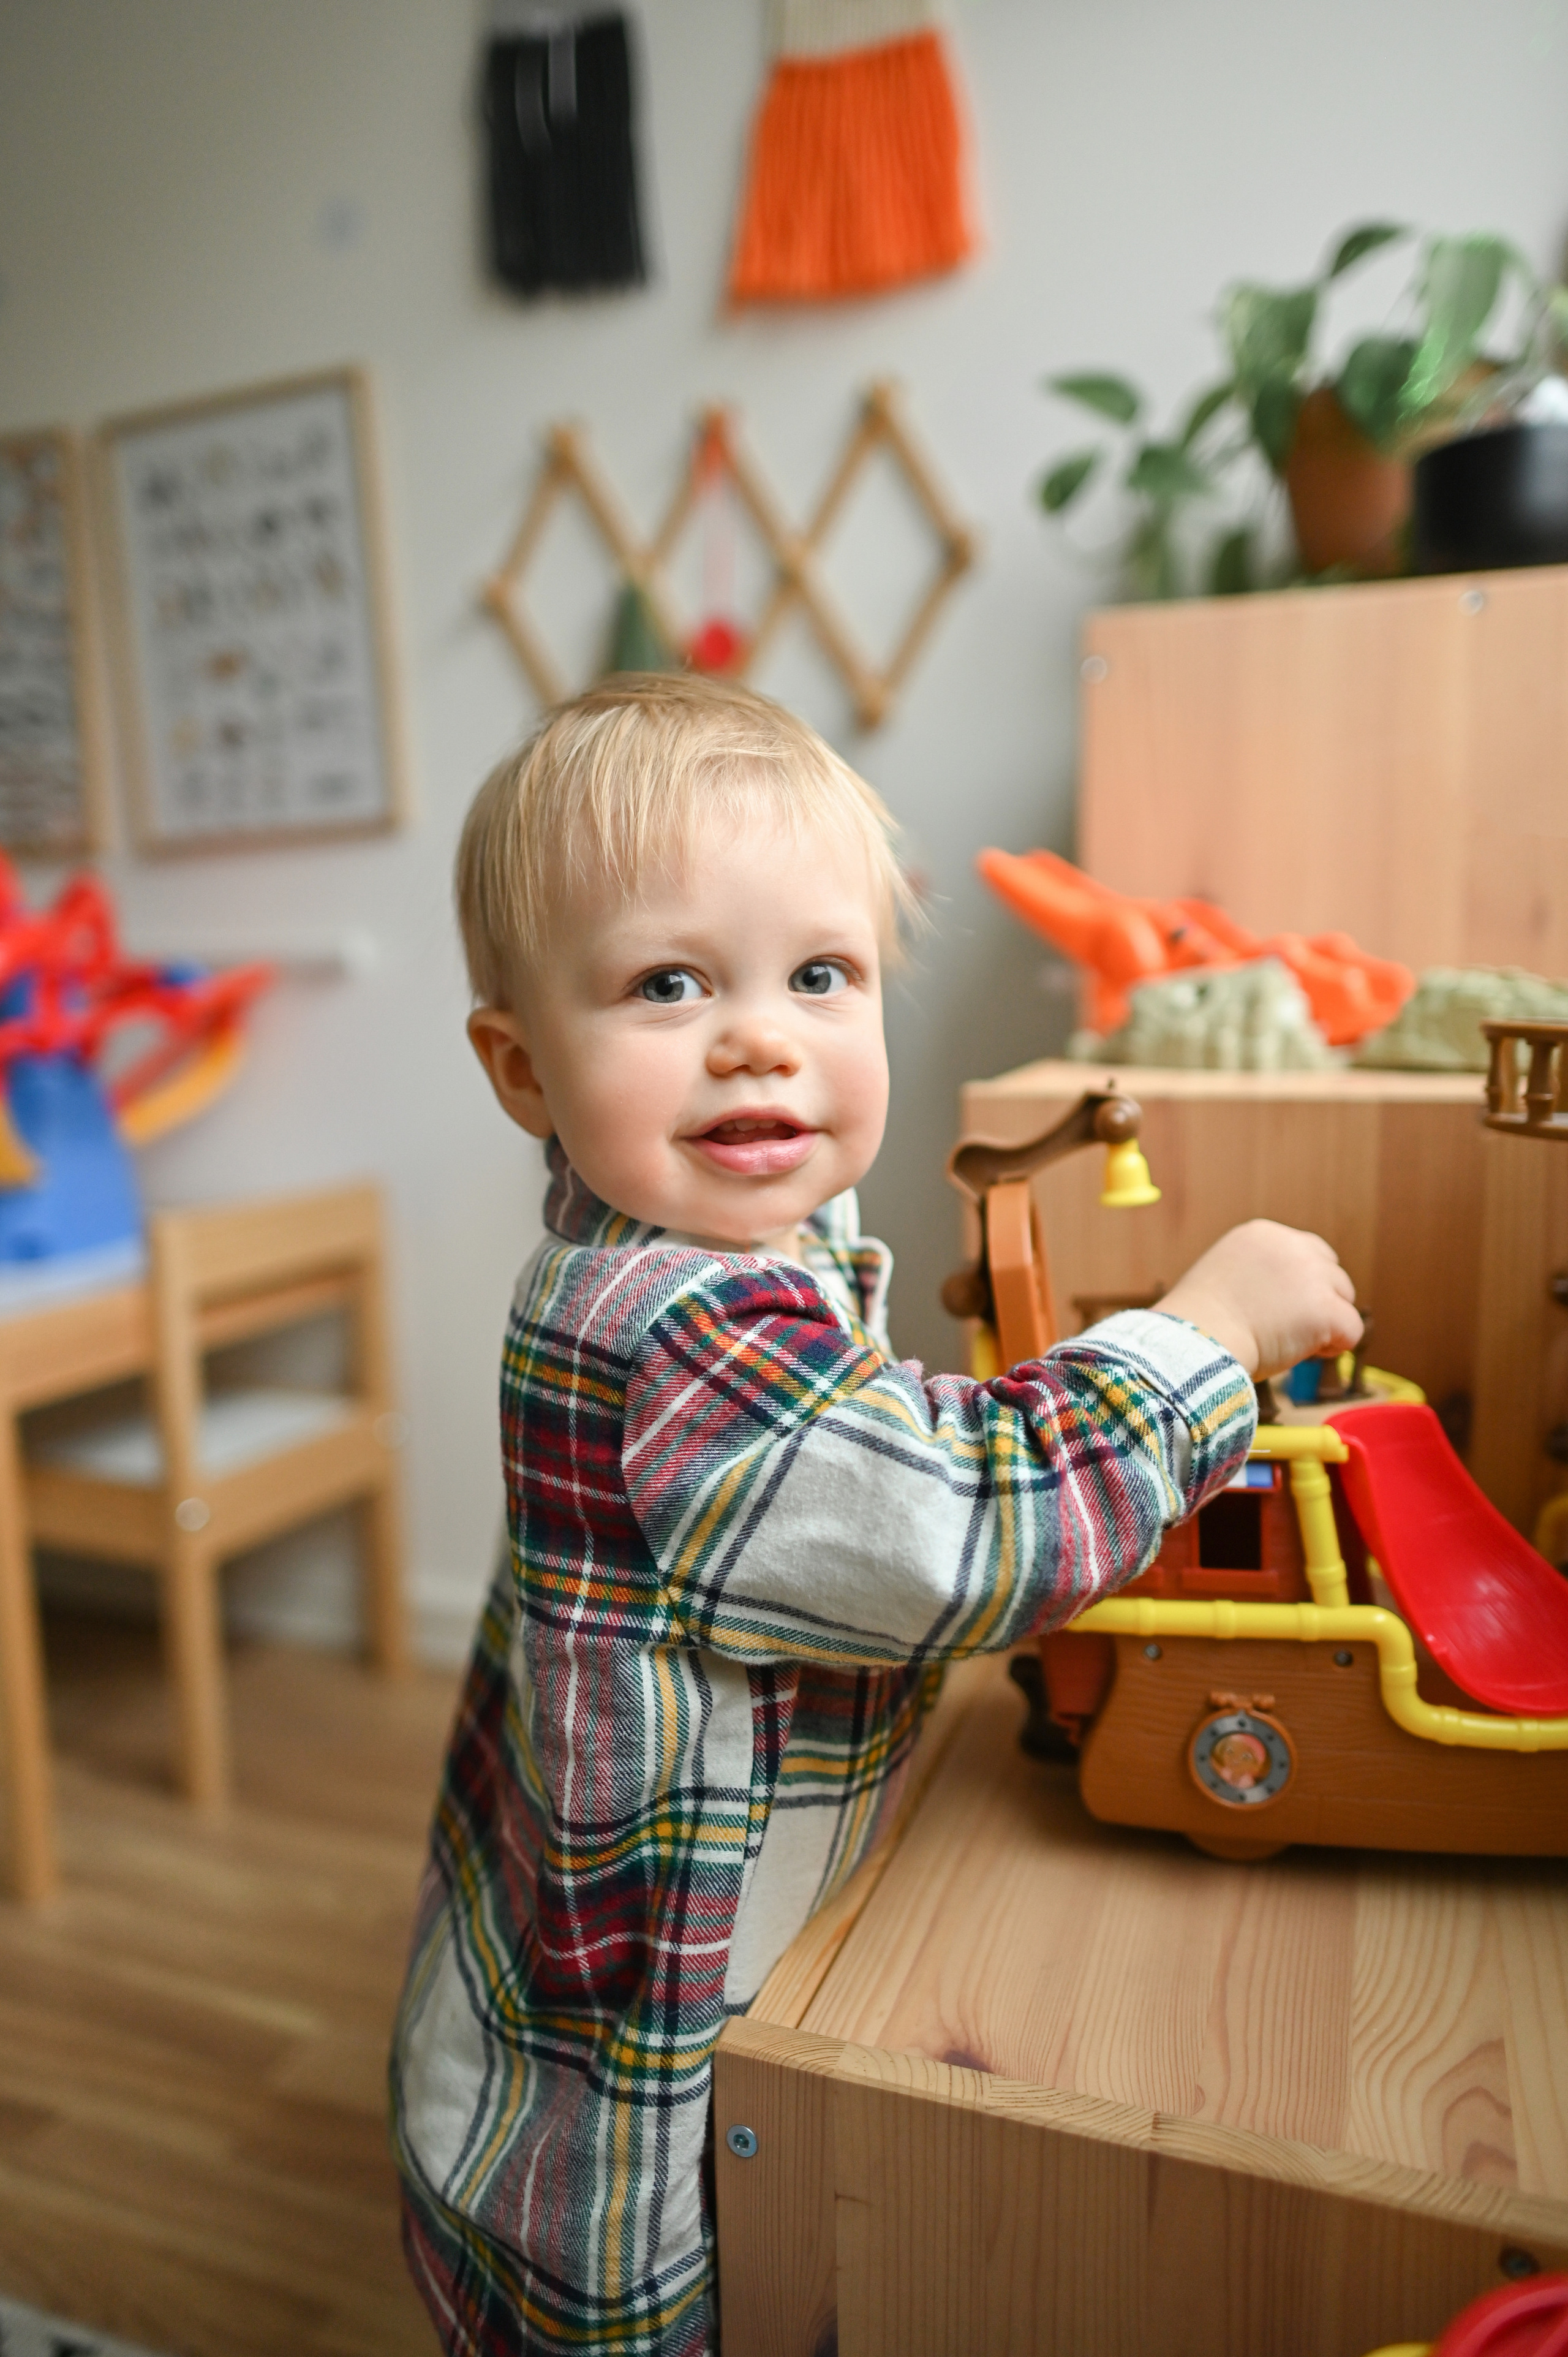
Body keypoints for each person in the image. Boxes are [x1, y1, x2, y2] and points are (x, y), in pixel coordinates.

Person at [390, 673, 1361, 2357]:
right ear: (520, 1065)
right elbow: (963, 1534)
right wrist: (1210, 1335)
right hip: (660, 2112)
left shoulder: (708, 1256)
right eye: (667, 983)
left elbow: (869, 1462)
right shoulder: (685, 1328)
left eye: (820, 974)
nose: (761, 1035)